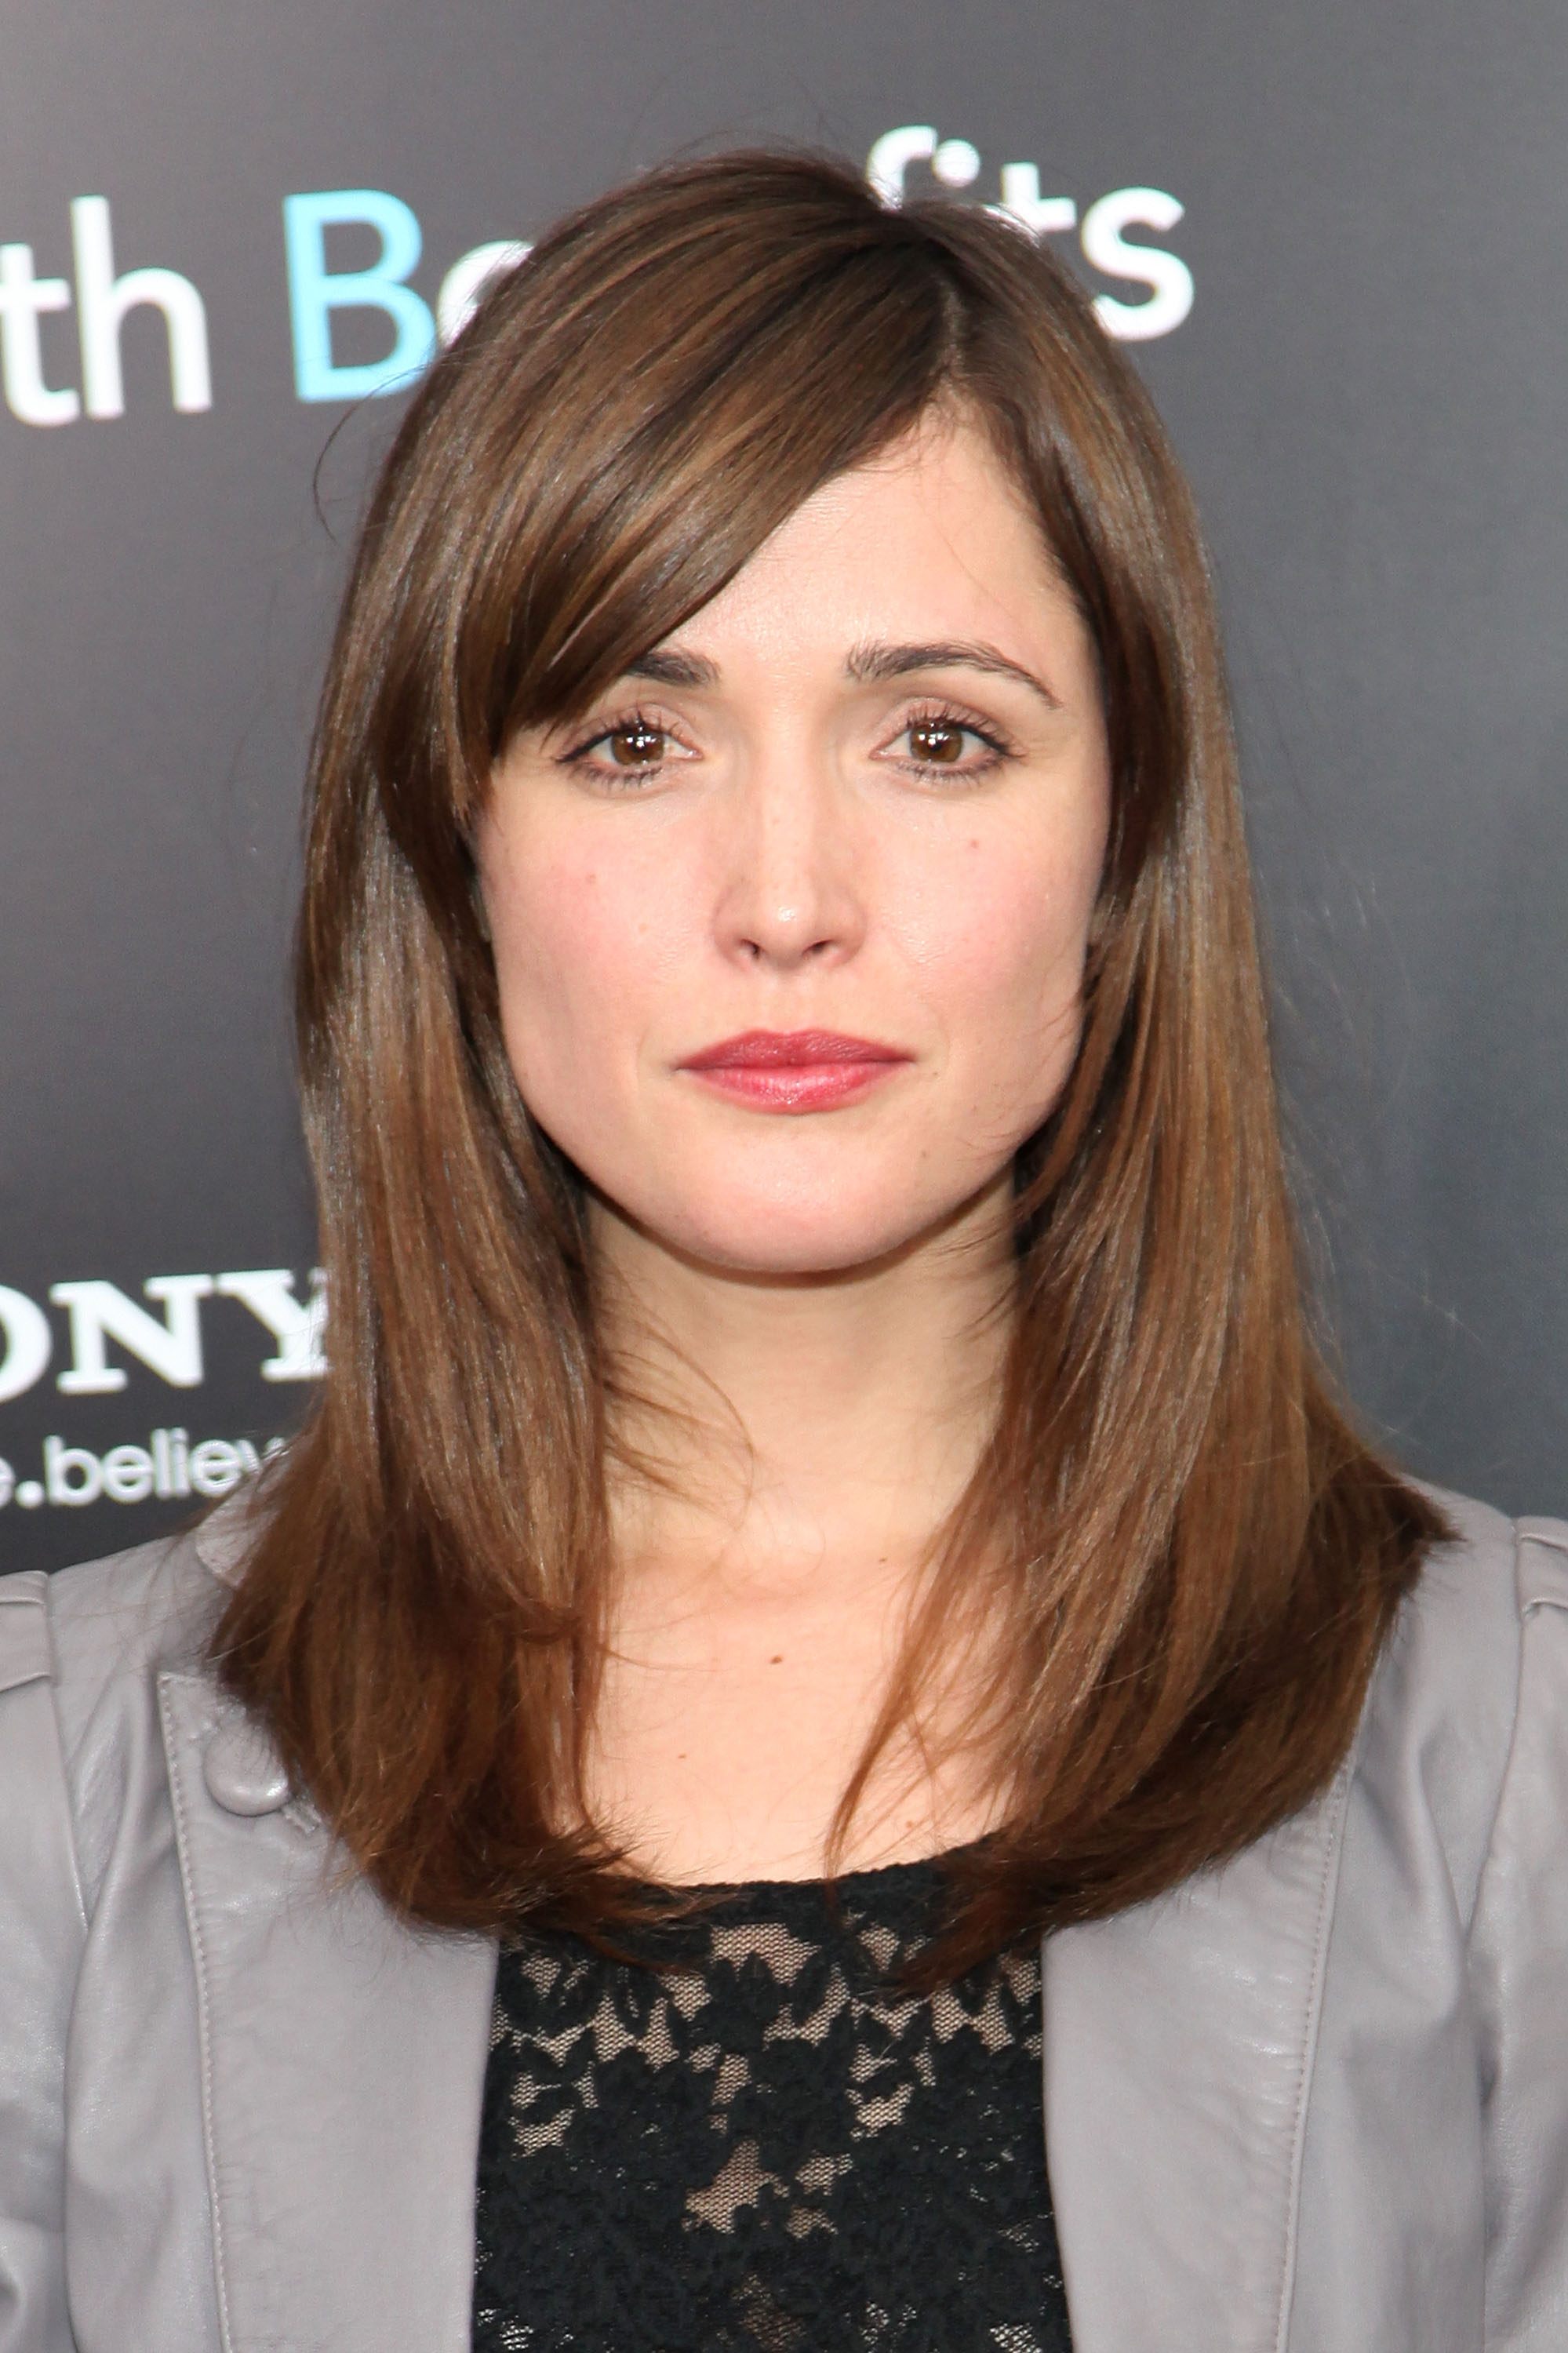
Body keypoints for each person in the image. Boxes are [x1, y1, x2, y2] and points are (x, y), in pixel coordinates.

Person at [1, 149, 1563, 2353]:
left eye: (939, 739)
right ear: (457, 855)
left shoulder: (1518, 1758)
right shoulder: (57, 1817)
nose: (789, 897)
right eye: (637, 742)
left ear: (1122, 841)